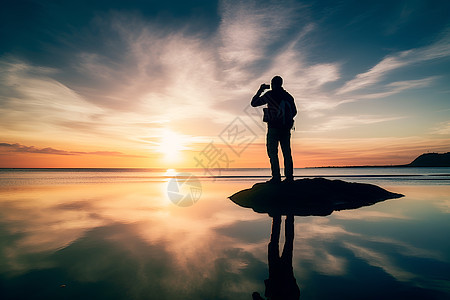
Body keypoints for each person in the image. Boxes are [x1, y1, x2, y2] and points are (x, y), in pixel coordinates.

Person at [251, 76, 297, 183]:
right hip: (286, 128)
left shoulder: (270, 95)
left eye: (272, 83)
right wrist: (285, 118)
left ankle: (276, 177)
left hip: (273, 128)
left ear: (273, 84)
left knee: (272, 153)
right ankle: (289, 177)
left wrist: (260, 90)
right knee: (286, 153)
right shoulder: (288, 96)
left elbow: (254, 103)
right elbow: (294, 112)